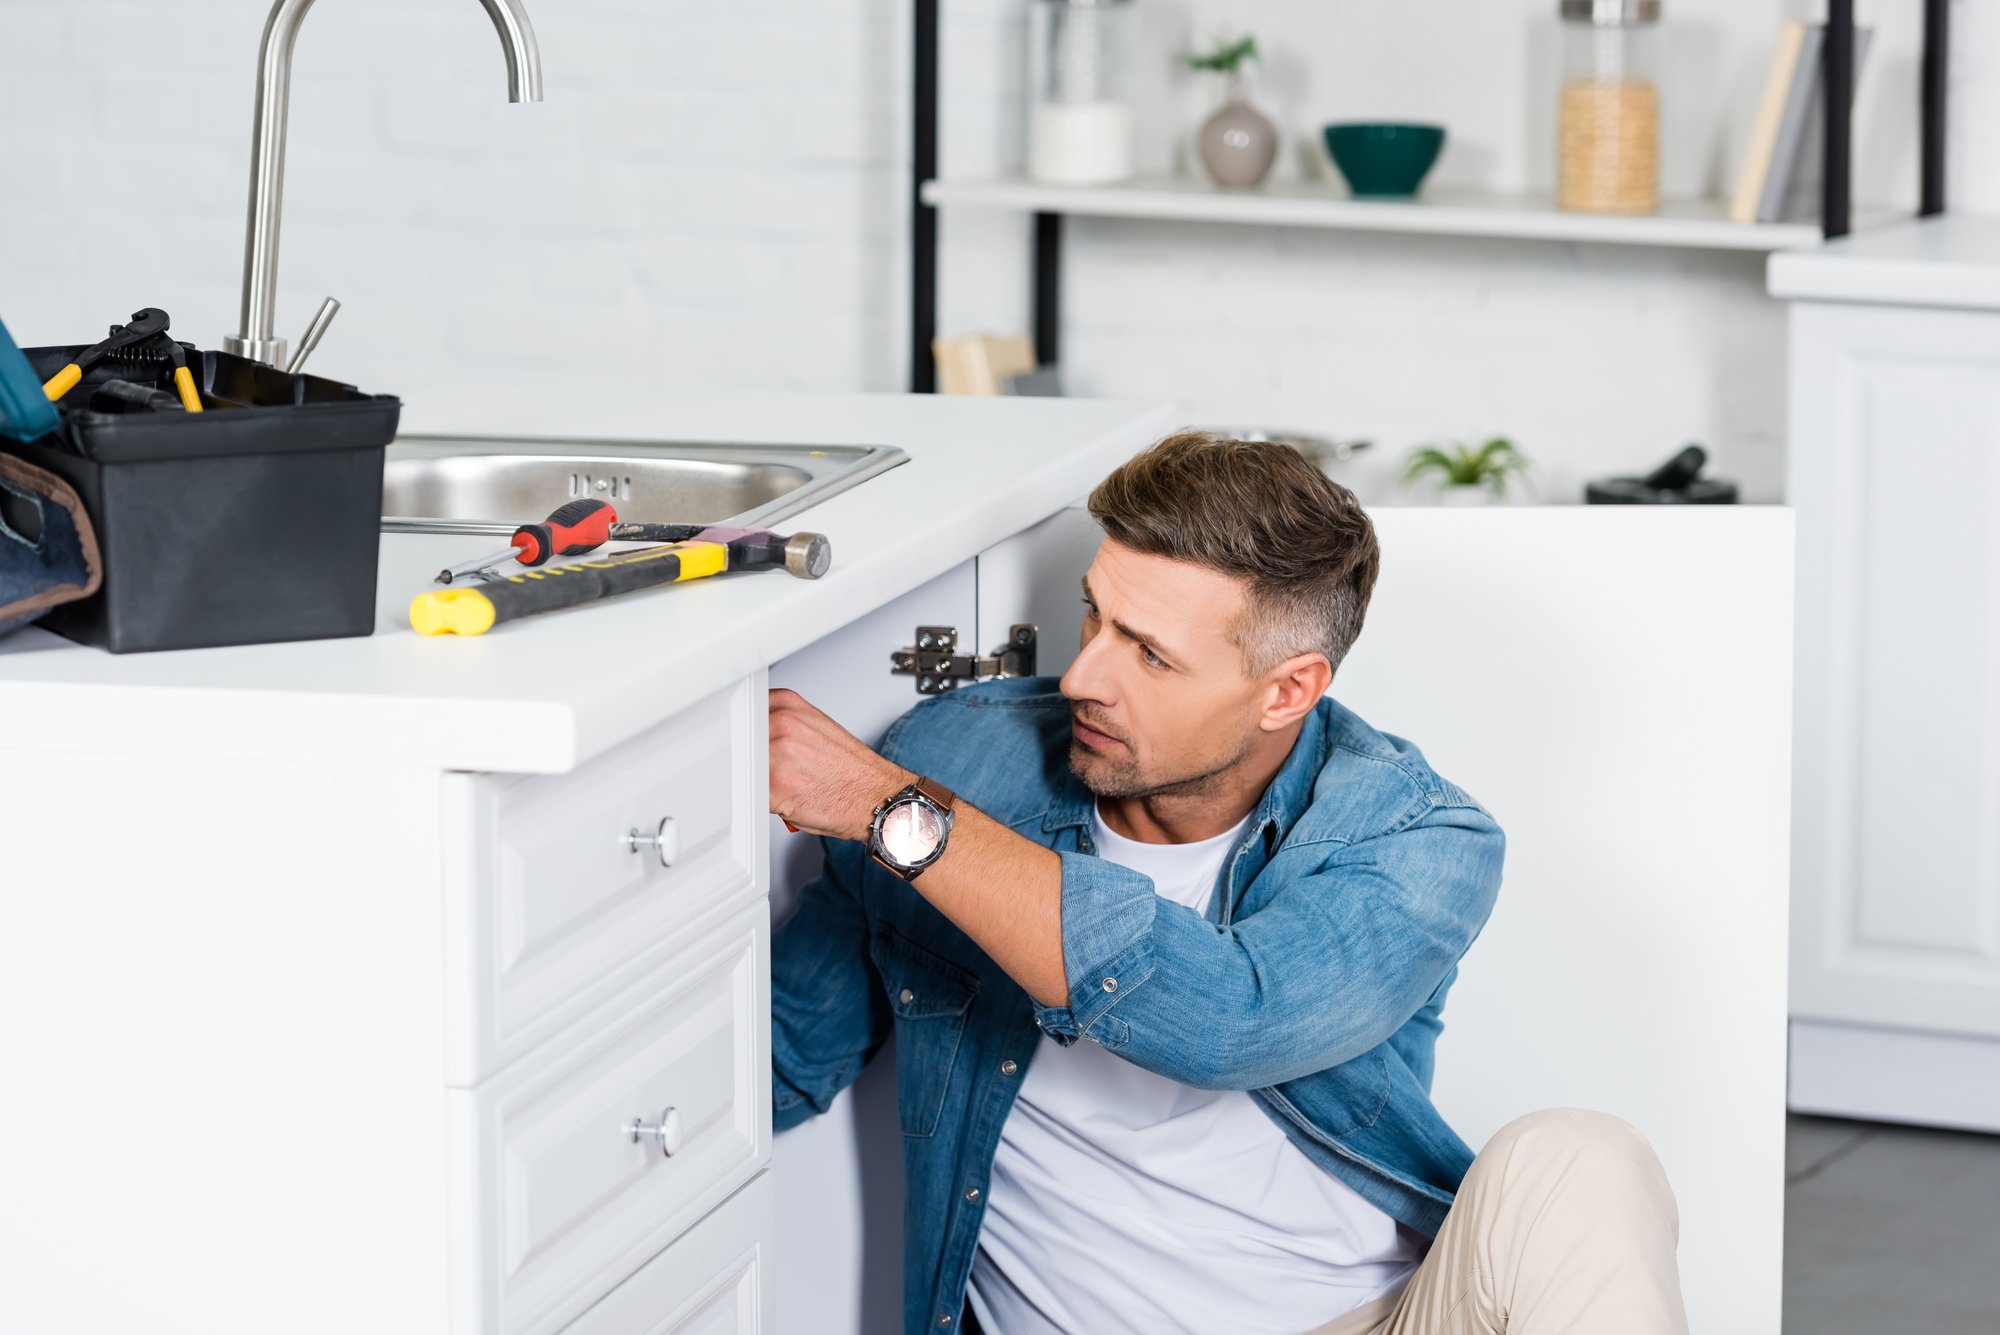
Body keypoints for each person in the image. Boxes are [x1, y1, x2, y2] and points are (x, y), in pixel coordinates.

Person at [769, 431, 1689, 1335]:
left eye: (1150, 653)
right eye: (1095, 615)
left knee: (1581, 1159)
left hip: (1374, 1322)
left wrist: (897, 816)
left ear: (1287, 690)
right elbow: (781, 1058)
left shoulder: (1416, 838)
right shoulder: (952, 760)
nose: (1083, 675)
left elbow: (1226, 1018)